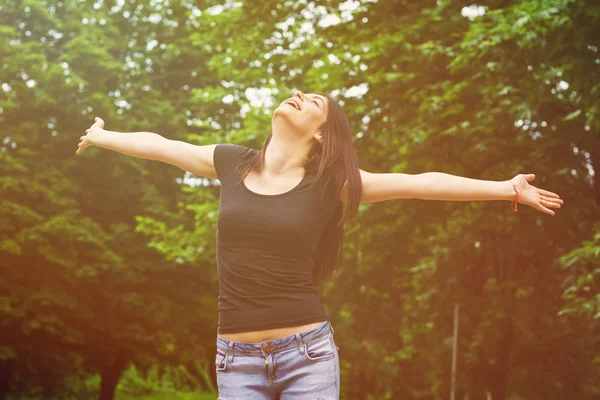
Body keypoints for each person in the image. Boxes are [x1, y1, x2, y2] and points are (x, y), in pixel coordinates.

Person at [76, 90, 563, 399]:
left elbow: (420, 181)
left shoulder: (334, 184)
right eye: (298, 93)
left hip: (305, 356)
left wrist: (505, 188)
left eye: (311, 101)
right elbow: (162, 146)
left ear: (321, 134)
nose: (297, 96)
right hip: (235, 360)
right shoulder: (231, 163)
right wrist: (103, 136)